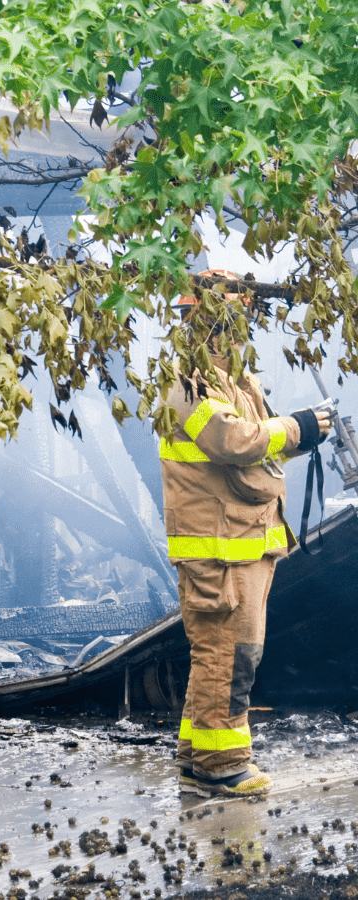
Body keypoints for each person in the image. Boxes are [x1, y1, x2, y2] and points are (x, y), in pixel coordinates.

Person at [158, 274, 332, 797]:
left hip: (241, 541)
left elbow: (256, 450)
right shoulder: (188, 385)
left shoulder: (231, 381)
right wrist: (296, 427)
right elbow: (234, 441)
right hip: (219, 551)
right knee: (229, 656)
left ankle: (197, 758)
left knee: (218, 654)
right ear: (204, 324)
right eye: (231, 321)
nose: (238, 332)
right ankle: (223, 765)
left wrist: (305, 433)